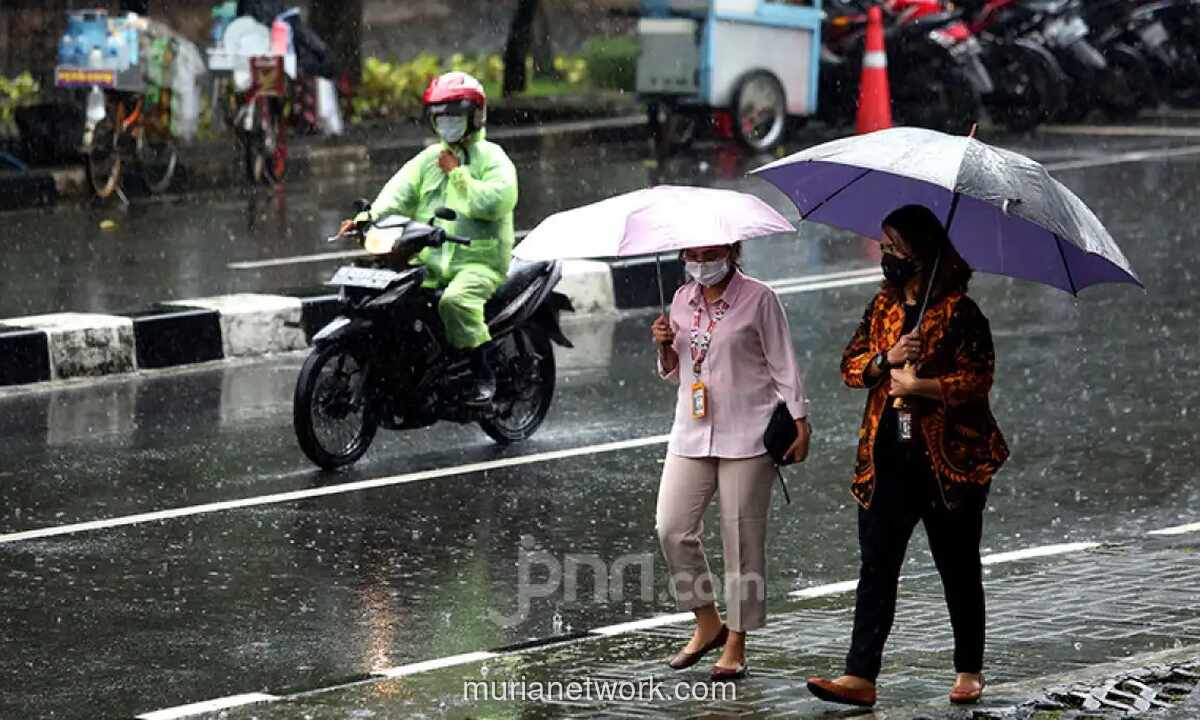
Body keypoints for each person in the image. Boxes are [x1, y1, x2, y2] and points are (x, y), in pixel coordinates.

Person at [806, 204, 1009, 708]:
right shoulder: (883, 309)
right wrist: (886, 360)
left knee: (958, 565)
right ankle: (860, 674)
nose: (887, 256)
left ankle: (969, 668)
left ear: (921, 253)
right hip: (886, 460)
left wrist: (926, 385)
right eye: (885, 247)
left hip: (948, 465)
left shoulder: (961, 312)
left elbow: (979, 378)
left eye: (895, 248)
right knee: (877, 566)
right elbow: (850, 367)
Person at [650, 242, 811, 681]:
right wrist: (663, 345)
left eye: (710, 253)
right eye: (693, 255)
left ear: (732, 250)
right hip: (691, 430)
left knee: (741, 540)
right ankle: (708, 623)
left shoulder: (760, 298)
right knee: (672, 527)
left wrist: (800, 419)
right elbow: (677, 370)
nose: (701, 264)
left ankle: (737, 639)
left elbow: (784, 363)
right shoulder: (680, 299)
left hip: (750, 431)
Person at [343, 72, 517, 405]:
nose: (448, 123)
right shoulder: (428, 160)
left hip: (479, 262)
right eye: (441, 117)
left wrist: (458, 174)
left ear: (475, 115)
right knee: (394, 298)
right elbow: (395, 195)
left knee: (455, 302)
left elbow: (496, 202)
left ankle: (484, 374)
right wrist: (364, 220)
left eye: (455, 115)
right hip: (431, 258)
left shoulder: (493, 159)